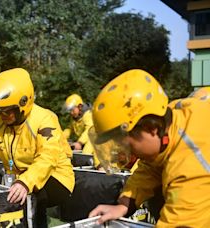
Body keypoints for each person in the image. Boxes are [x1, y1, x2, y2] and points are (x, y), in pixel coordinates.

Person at [88, 69, 210, 226]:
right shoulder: (172, 119)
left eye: (126, 143)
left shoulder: (192, 166)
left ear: (150, 128)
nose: (126, 152)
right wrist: (124, 204)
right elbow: (150, 166)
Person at [0, 68, 75, 227]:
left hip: (56, 176)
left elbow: (47, 158)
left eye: (6, 111)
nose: (1, 115)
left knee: (33, 196)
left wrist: (25, 182)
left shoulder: (45, 119)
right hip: (19, 178)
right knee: (13, 197)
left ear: (23, 104)